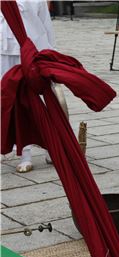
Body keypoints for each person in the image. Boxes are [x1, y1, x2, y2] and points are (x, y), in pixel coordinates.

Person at [1, 0, 55, 173]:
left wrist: (51, 54)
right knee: (13, 102)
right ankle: (25, 153)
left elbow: (46, 23)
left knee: (41, 102)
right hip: (3, 51)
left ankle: (51, 147)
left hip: (32, 51)